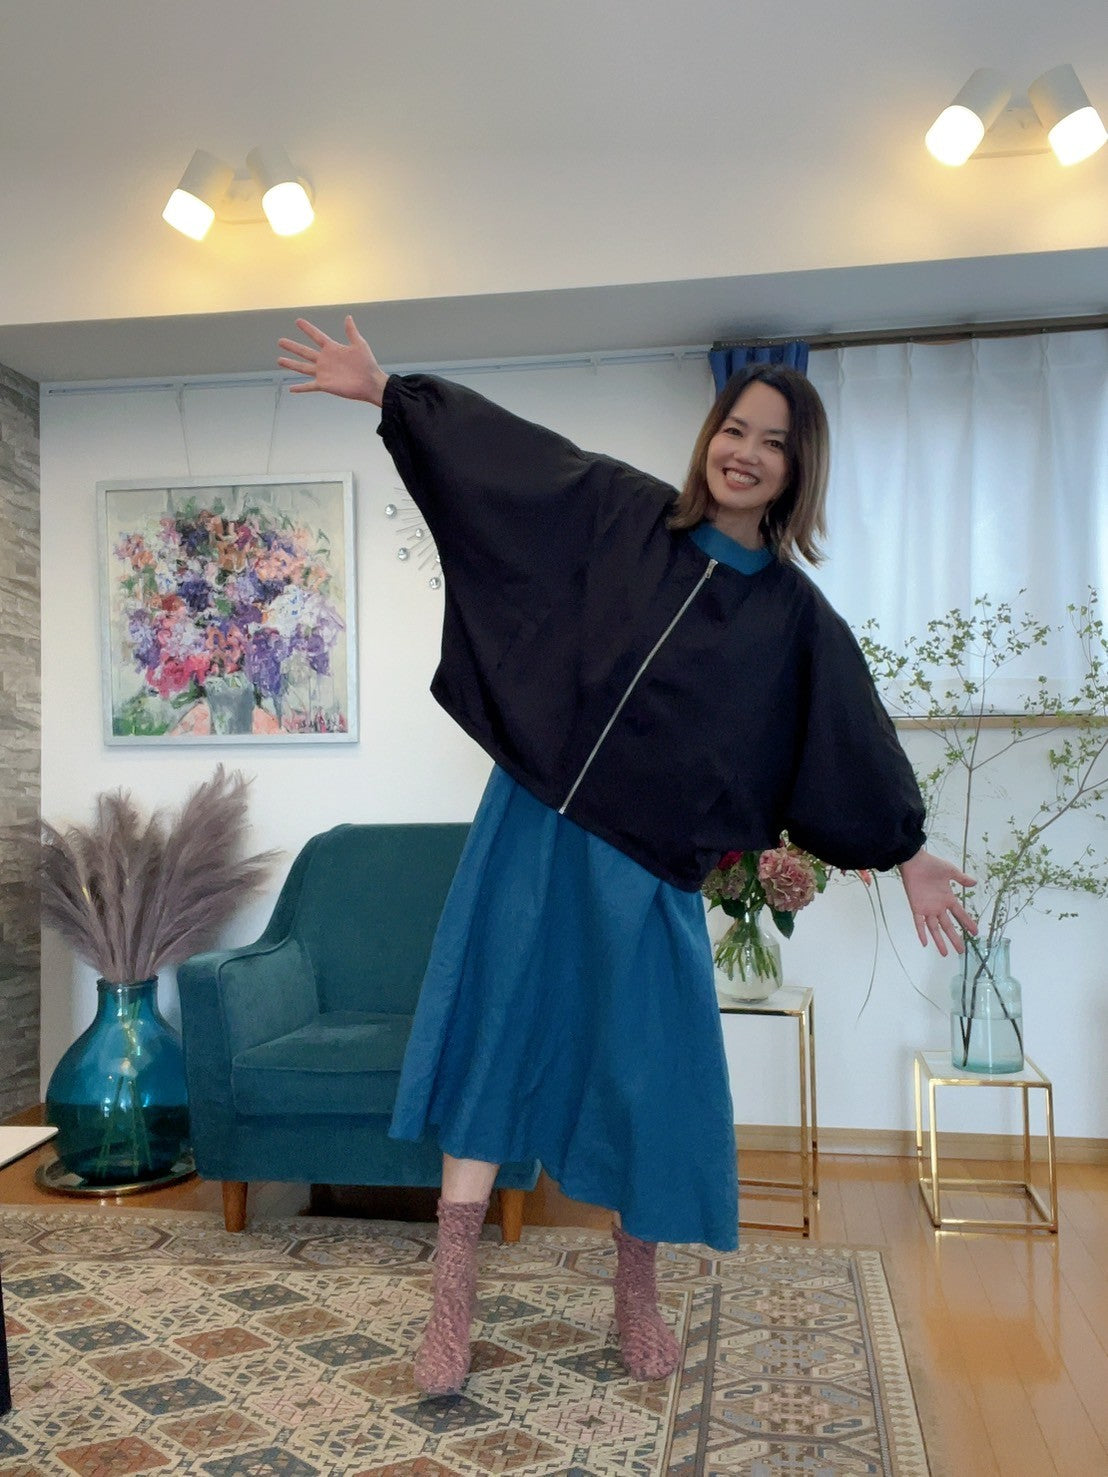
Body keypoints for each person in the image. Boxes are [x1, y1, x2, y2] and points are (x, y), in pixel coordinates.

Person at [277, 315, 977, 1396]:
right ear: (710, 436)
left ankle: (634, 1288)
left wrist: (909, 850)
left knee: (642, 1071)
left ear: (798, 469)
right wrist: (389, 395)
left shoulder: (795, 620)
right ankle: (452, 1295)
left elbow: (847, 732)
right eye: (733, 429)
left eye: (772, 441)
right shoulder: (621, 512)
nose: (744, 451)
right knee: (492, 1036)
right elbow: (513, 462)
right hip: (534, 827)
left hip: (647, 866)